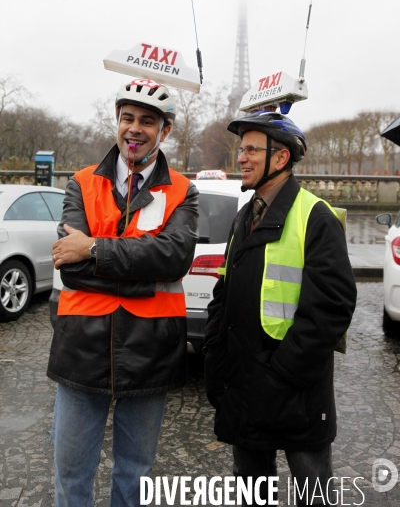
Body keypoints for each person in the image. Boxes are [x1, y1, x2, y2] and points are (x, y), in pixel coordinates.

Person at [47, 78, 199, 507]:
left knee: (136, 477)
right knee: (71, 476)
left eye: (147, 121)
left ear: (164, 130)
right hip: (81, 346)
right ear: (117, 121)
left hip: (150, 350)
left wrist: (93, 247)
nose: (135, 128)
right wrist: (141, 270)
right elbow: (72, 271)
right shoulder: (80, 182)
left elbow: (173, 259)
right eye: (127, 118)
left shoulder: (184, 191)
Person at [203, 110, 357, 506]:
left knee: (314, 497)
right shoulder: (244, 216)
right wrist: (216, 360)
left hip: (296, 395)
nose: (241, 157)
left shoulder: (315, 216)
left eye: (252, 149)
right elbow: (224, 293)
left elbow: (331, 309)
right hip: (245, 390)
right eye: (241, 148)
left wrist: (281, 375)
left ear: (281, 157)